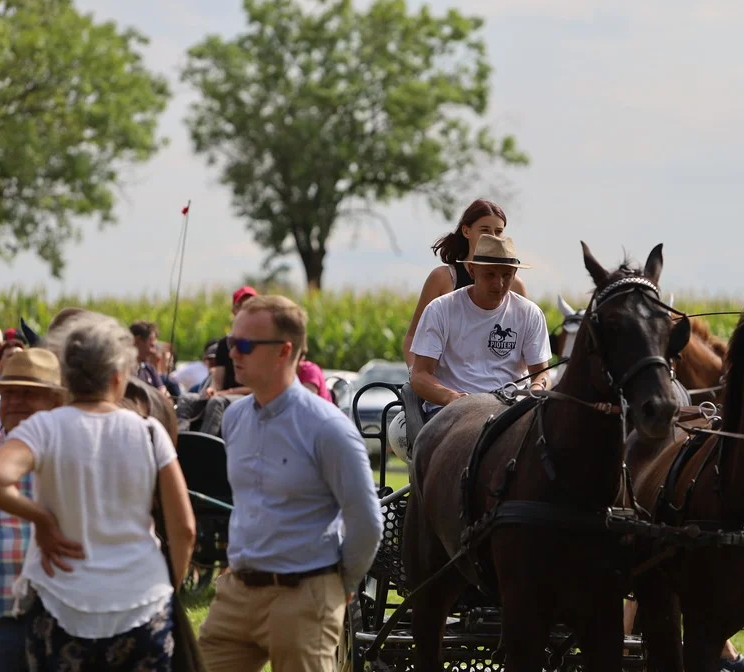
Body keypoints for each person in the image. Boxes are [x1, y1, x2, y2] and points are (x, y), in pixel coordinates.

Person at [0, 311, 196, 672]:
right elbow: (184, 528)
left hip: (61, 604)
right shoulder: (150, 432)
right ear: (119, 375)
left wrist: (41, 518)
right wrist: (169, 584)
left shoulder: (44, 428)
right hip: (143, 604)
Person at [197, 294, 382, 672]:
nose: (232, 353)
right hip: (236, 595)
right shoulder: (234, 420)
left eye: (244, 345)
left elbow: (366, 521)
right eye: (231, 343)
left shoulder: (328, 428)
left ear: (284, 351)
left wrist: (336, 586)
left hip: (305, 595)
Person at [0, 348, 67, 672]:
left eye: (28, 393)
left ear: (57, 403)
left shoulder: (75, 460)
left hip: (63, 624)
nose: (15, 402)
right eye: (8, 393)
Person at [410, 234, 552, 422]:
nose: (499, 284)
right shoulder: (440, 309)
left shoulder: (530, 313)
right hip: (452, 412)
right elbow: (419, 375)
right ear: (471, 271)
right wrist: (452, 397)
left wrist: (536, 392)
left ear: (515, 275)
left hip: (512, 411)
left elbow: (541, 373)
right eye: (490, 275)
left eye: (506, 275)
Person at [402, 199, 528, 368]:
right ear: (466, 231)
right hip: (449, 386)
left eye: (498, 232)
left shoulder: (515, 285)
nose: (492, 237)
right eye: (485, 230)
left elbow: (524, 345)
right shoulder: (443, 277)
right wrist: (417, 375)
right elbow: (413, 337)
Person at [176, 288, 256, 436]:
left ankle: (206, 449)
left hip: (247, 397)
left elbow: (255, 387)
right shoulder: (223, 344)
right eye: (242, 306)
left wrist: (224, 393)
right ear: (234, 310)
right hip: (223, 395)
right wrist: (212, 389)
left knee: (216, 403)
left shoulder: (258, 343)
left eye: (251, 306)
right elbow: (218, 379)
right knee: (187, 399)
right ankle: (181, 443)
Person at [130, 321, 166, 392]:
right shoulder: (121, 369)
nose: (153, 351)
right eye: (151, 345)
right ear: (137, 340)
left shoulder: (149, 369)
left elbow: (163, 393)